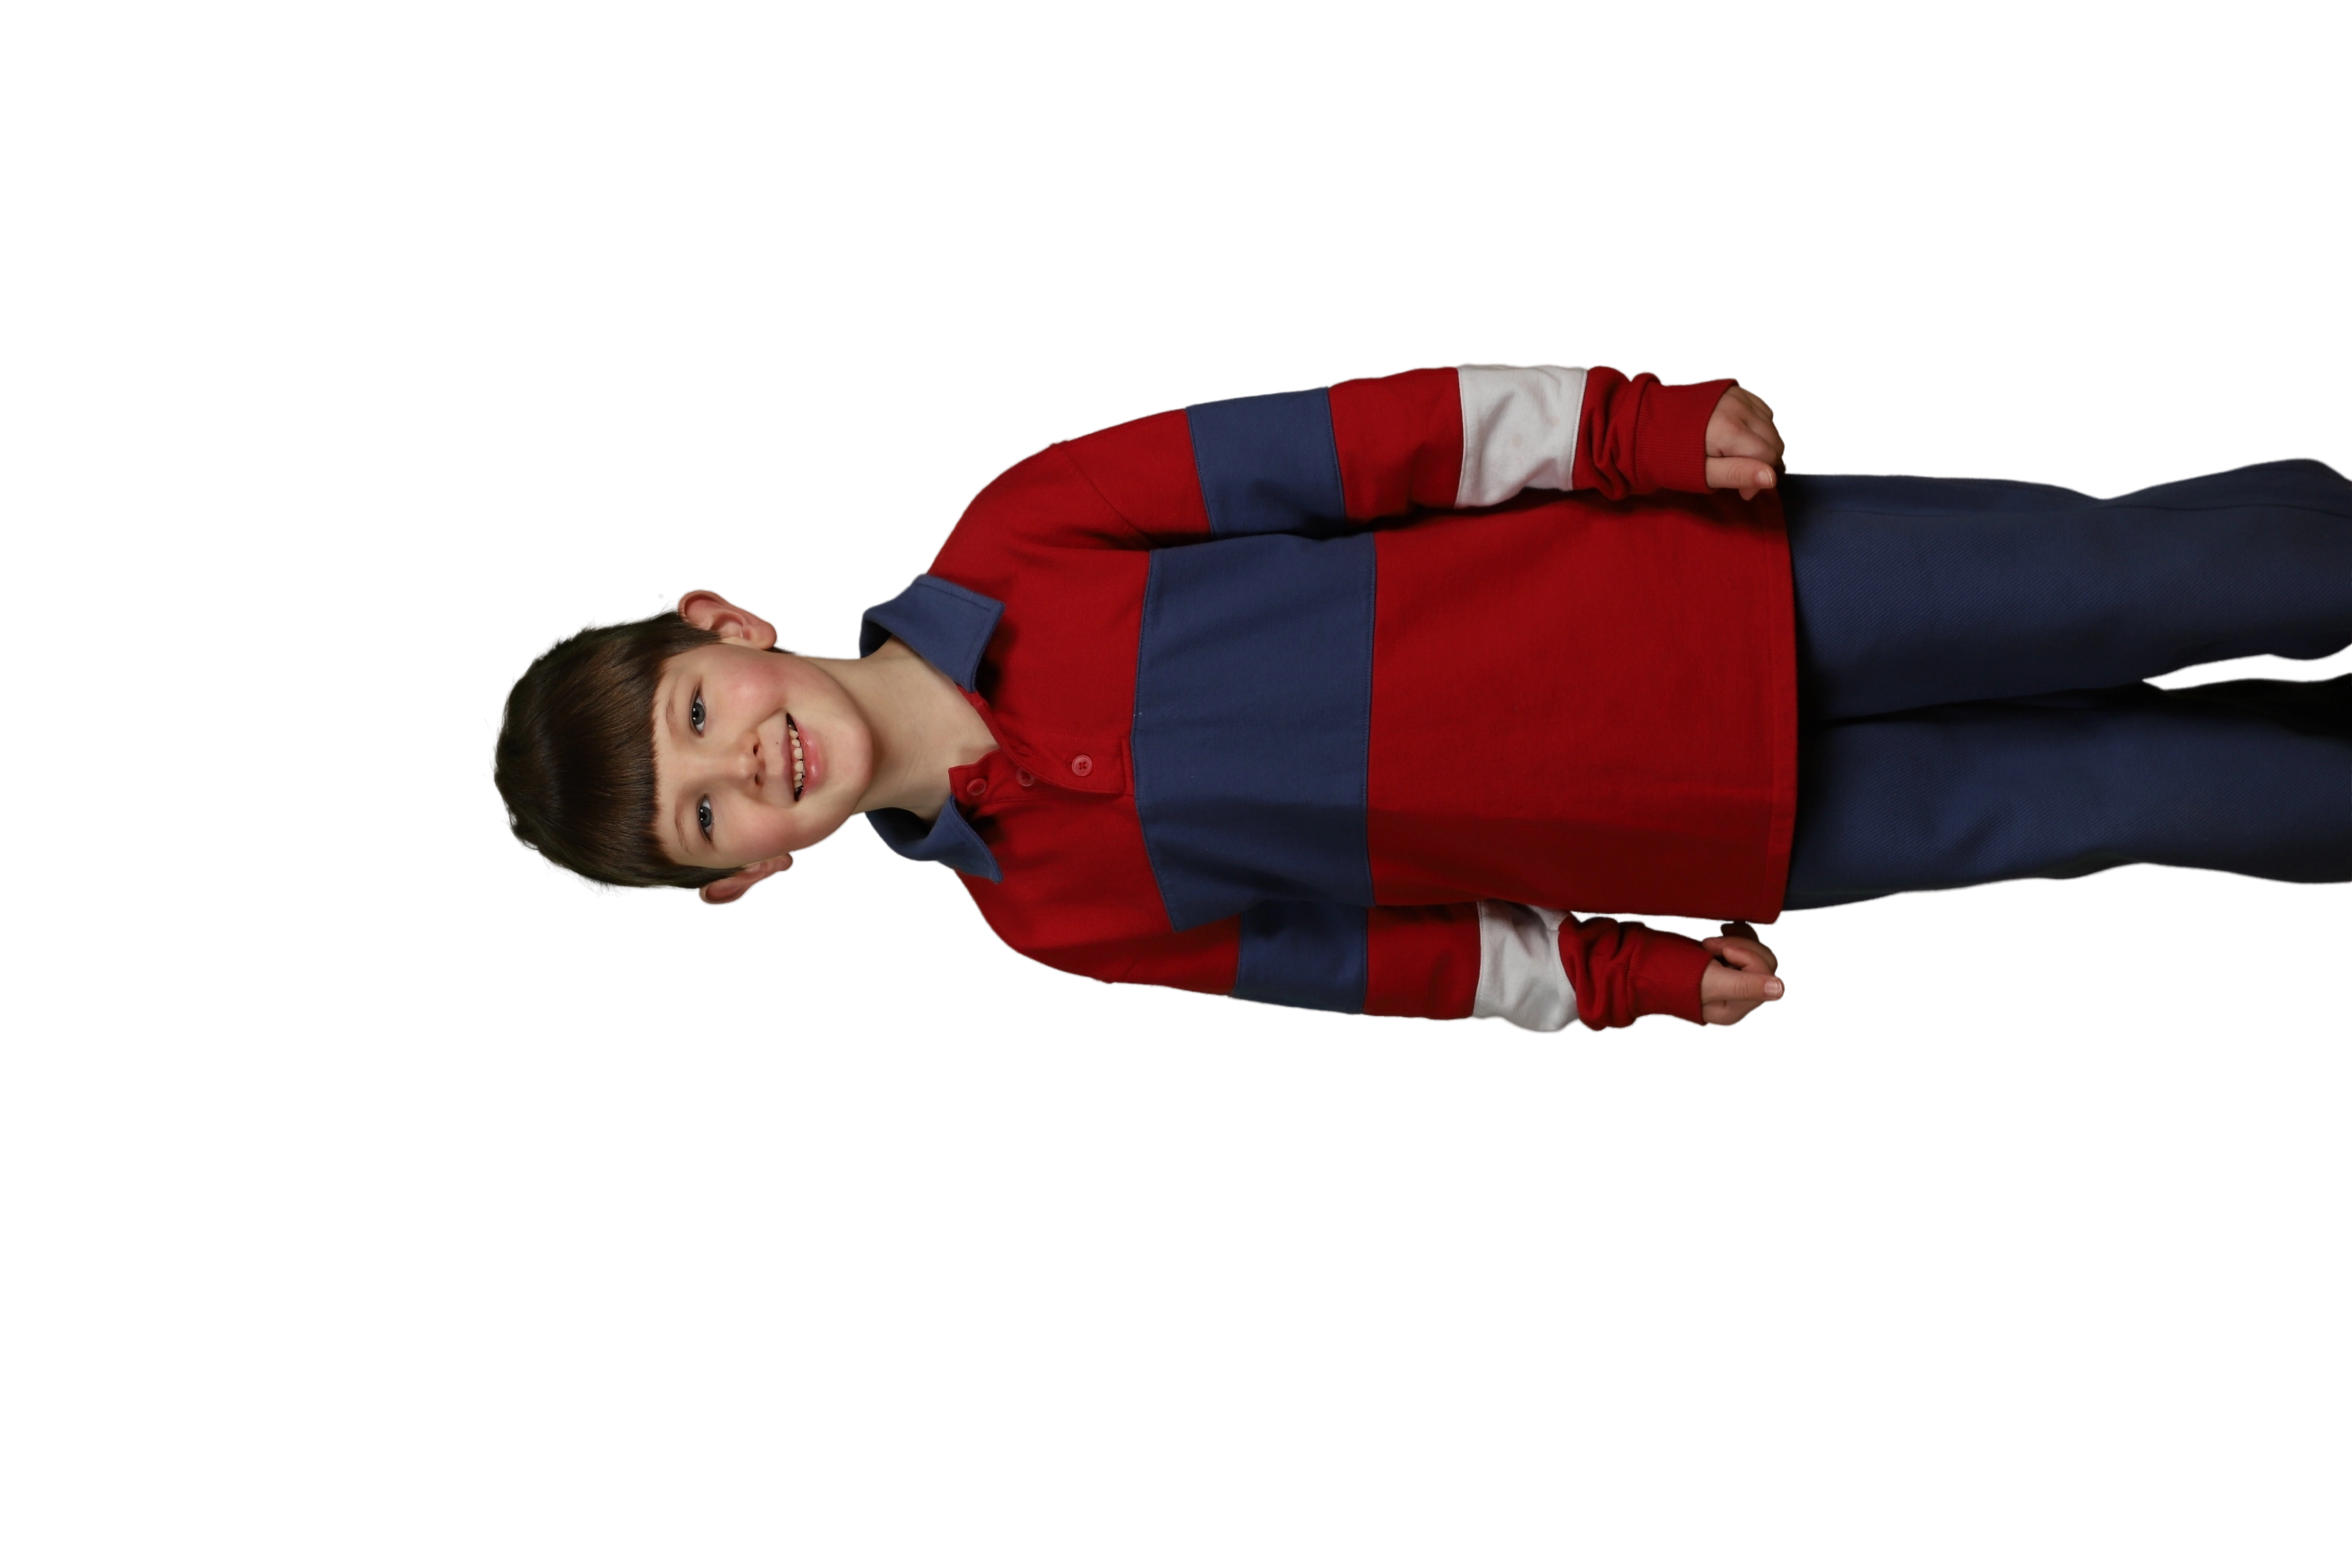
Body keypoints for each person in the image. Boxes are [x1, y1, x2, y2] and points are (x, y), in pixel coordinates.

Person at [481, 363, 2352, 1035]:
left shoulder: (1028, 524)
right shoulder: (1054, 920)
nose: (746, 764)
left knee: (2137, 584)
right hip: (1724, 833)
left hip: (1723, 590)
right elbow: (1392, 964)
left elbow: (1356, 443)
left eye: (696, 714)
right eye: (709, 815)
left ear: (723, 621)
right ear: (749, 879)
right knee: (2147, 800)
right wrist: (1625, 984)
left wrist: (1627, 428)